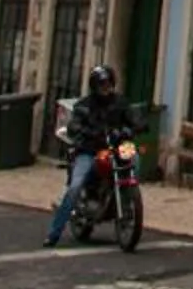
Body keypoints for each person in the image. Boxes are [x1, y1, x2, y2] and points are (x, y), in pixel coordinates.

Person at [45, 66, 139, 246]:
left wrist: (136, 126)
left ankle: (128, 198)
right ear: (94, 86)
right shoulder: (84, 105)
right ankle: (54, 233)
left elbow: (133, 118)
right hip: (90, 150)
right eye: (102, 84)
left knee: (135, 157)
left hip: (116, 147)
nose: (106, 87)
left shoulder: (120, 102)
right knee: (75, 186)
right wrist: (85, 131)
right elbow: (74, 125)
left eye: (109, 83)